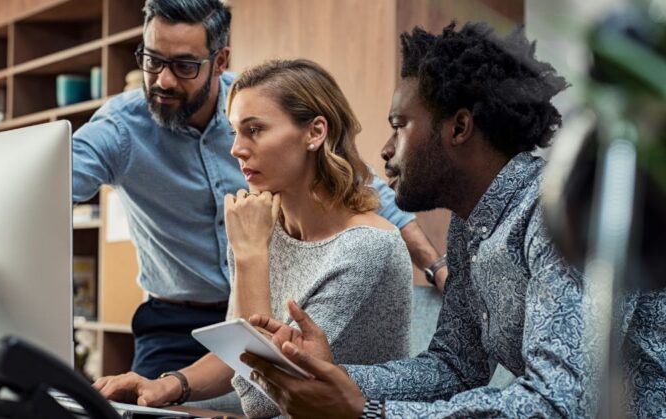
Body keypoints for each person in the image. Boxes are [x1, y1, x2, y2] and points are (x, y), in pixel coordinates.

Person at [238, 22, 613, 418]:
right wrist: (332, 377)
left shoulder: (559, 214)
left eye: (399, 126)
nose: (384, 150)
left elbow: (560, 403)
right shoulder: (470, 226)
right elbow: (454, 368)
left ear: (459, 127)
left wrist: (369, 412)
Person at [72, 0, 444, 381]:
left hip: (268, 307)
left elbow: (371, 192)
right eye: (152, 61)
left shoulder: (258, 102)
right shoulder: (119, 130)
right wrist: (176, 384)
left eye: (184, 66)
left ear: (219, 61)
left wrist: (436, 265)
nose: (163, 80)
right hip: (175, 319)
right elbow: (52, 185)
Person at [93, 59, 414, 418]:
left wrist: (249, 255)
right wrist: (169, 384)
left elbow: (263, 397)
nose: (236, 149)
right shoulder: (261, 227)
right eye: (234, 132)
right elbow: (237, 353)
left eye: (255, 130)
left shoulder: (367, 247)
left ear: (315, 132)